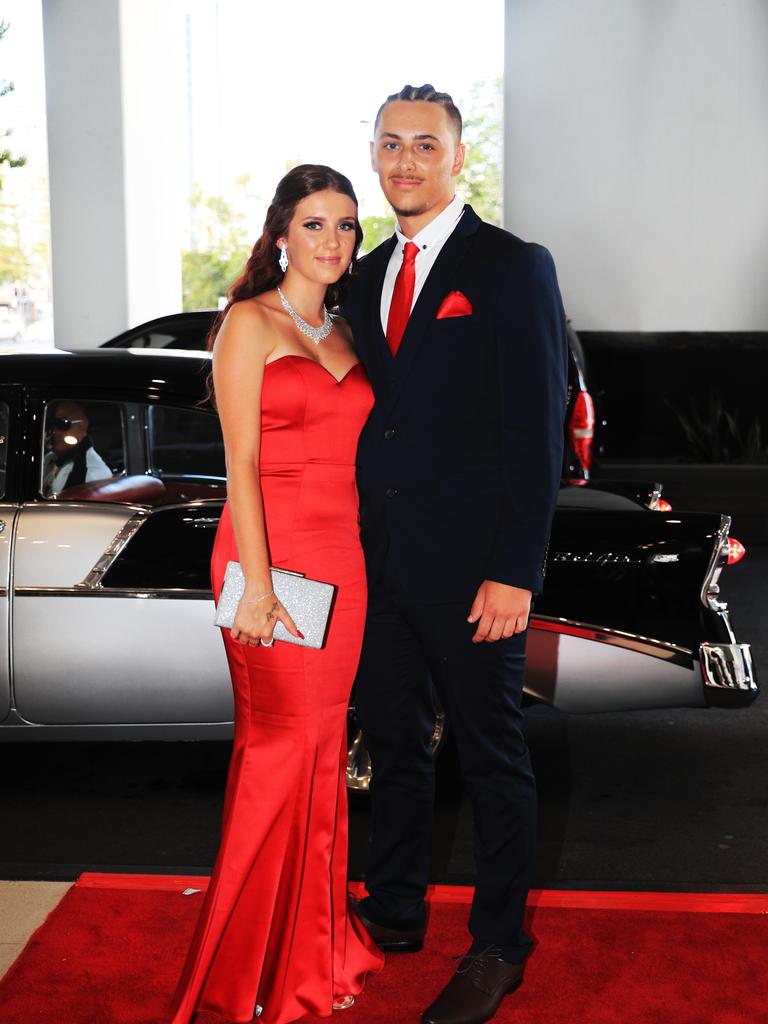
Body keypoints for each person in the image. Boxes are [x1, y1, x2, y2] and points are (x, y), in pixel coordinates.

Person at [342, 85, 568, 1024]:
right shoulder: (361, 276)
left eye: (424, 145)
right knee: (391, 746)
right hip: (379, 566)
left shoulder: (511, 266)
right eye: (390, 144)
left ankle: (500, 944)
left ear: (458, 159)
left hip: (478, 572)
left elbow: (536, 425)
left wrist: (515, 568)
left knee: (491, 758)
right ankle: (394, 913)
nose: (404, 162)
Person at [168, 164, 383, 1024]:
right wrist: (256, 585)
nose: (332, 242)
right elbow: (241, 467)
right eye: (314, 225)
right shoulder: (248, 325)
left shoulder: (351, 333)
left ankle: (315, 944)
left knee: (325, 754)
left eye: (345, 226)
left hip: (346, 563)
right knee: (278, 752)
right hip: (270, 558)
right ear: (281, 234)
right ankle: (245, 966)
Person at [41, 400, 112, 496]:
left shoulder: (91, 474)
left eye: (62, 423)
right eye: (51, 424)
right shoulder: (49, 459)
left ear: (83, 425)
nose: (55, 431)